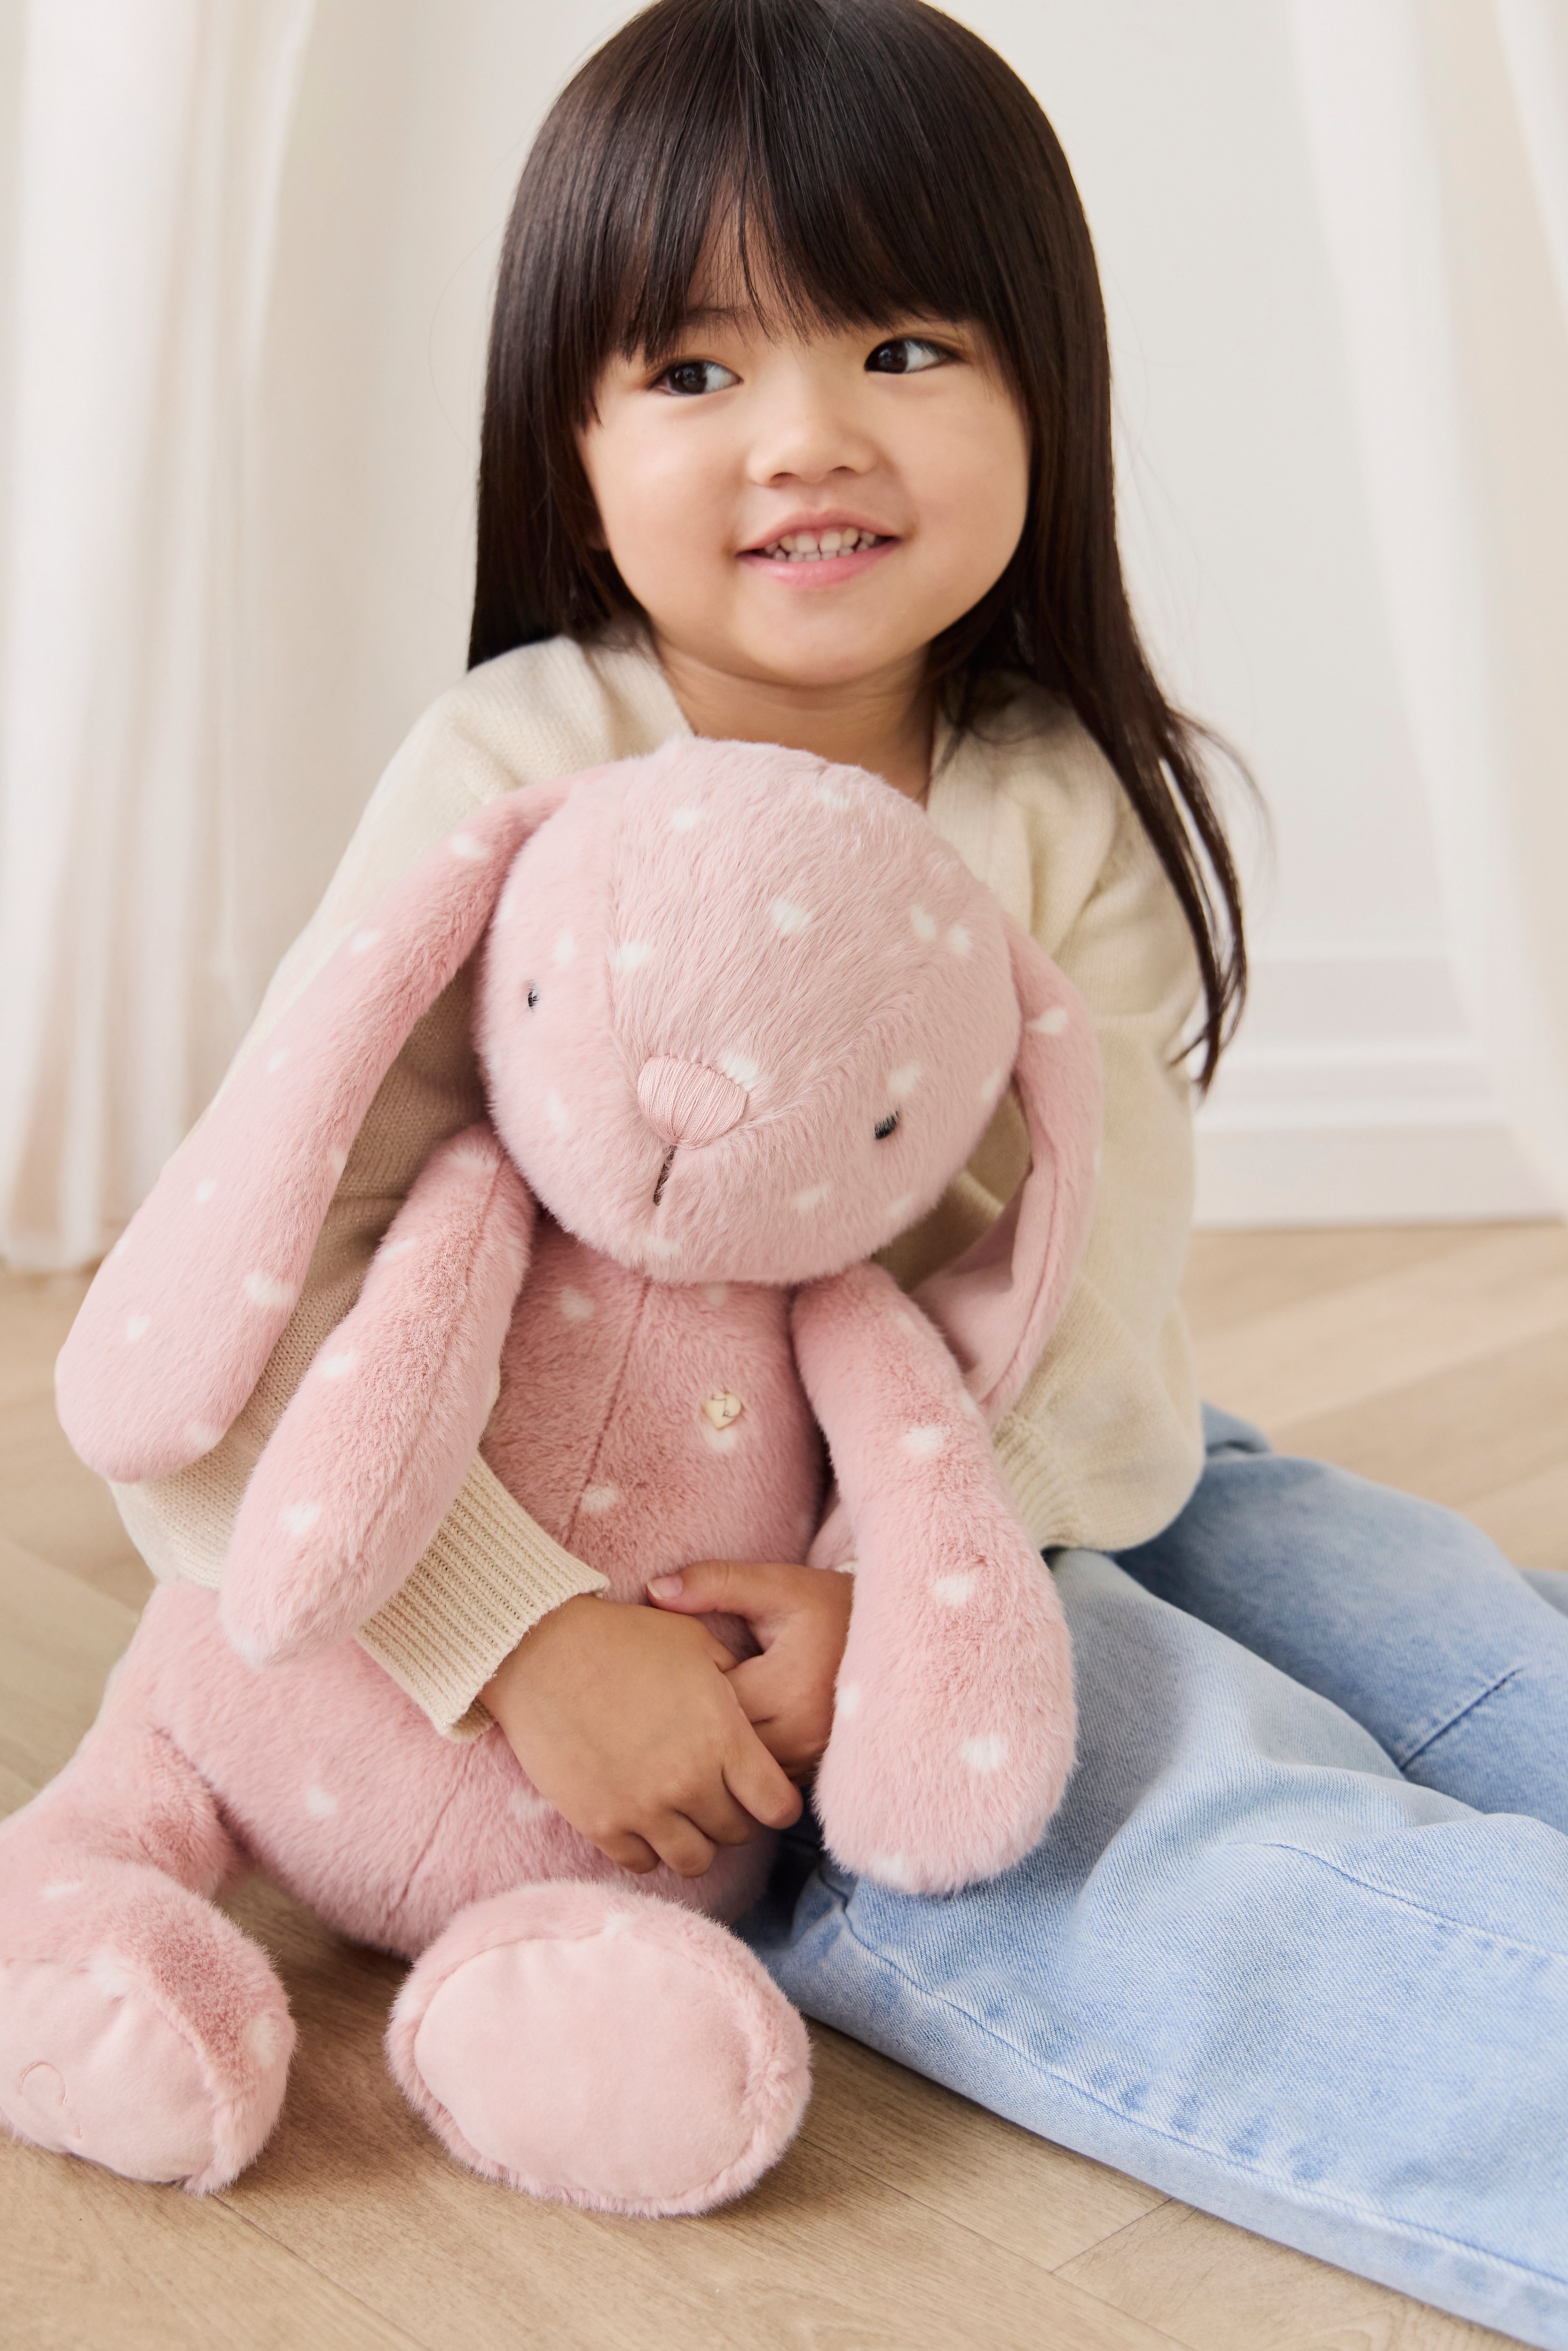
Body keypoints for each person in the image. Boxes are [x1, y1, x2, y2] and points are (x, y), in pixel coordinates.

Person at [112, 1, 1568, 2339]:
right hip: (629, 1578)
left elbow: (1093, 1360)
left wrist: (919, 1581)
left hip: (969, 1486)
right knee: (1191, 1809)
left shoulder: (1054, 800)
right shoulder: (512, 764)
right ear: (567, 442)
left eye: (901, 342)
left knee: (1408, 1603)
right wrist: (523, 1634)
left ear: (1040, 397)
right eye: (692, 370)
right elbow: (258, 1297)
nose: (807, 439)